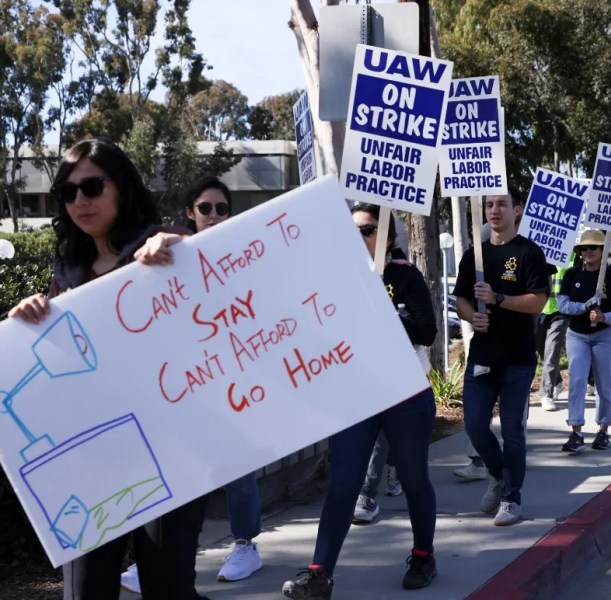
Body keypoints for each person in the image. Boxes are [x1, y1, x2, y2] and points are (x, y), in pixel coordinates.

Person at [9, 138, 209, 600]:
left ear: (122, 188)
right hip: (89, 459)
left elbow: (222, 282)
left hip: (171, 451)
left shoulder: (164, 249)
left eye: (93, 186)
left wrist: (185, 244)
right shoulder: (67, 268)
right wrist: (30, 321)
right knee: (85, 592)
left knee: (168, 589)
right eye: (67, 191)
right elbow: (59, 367)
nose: (80, 200)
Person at [282, 203, 439, 599]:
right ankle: (320, 572)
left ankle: (423, 555)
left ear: (384, 236)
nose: (361, 238)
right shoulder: (334, 279)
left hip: (405, 393)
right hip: (356, 395)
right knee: (343, 483)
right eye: (353, 231)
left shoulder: (404, 277)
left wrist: (389, 312)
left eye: (368, 230)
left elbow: (428, 332)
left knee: (414, 478)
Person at [120, 176, 264, 593]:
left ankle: (246, 545)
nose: (215, 216)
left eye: (222, 209)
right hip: (181, 382)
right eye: (206, 208)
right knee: (176, 469)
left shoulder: (241, 251)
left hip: (233, 378)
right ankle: (163, 558)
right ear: (190, 212)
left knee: (237, 465)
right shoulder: (172, 249)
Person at [453, 192, 549, 526]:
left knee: (513, 431)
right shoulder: (474, 254)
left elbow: (537, 302)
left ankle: (511, 497)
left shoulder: (528, 252)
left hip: (518, 358)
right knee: (475, 425)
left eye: (502, 204)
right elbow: (460, 300)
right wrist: (471, 316)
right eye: (490, 204)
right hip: (482, 356)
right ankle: (498, 475)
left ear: (517, 209)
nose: (495, 210)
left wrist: (499, 298)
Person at [557, 229, 611, 452]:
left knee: (604, 385)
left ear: (603, 250)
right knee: (576, 382)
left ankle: (603, 429)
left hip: (605, 336)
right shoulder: (571, 275)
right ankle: (576, 432)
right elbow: (562, 305)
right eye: (583, 248)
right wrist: (584, 307)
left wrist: (604, 317)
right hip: (577, 335)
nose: (587, 252)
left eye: (593, 248)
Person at [536, 261, 571, 411]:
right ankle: (556, 381)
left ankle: (546, 394)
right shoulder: (536, 252)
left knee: (552, 352)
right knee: (542, 352)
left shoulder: (573, 255)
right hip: (538, 309)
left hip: (560, 311)